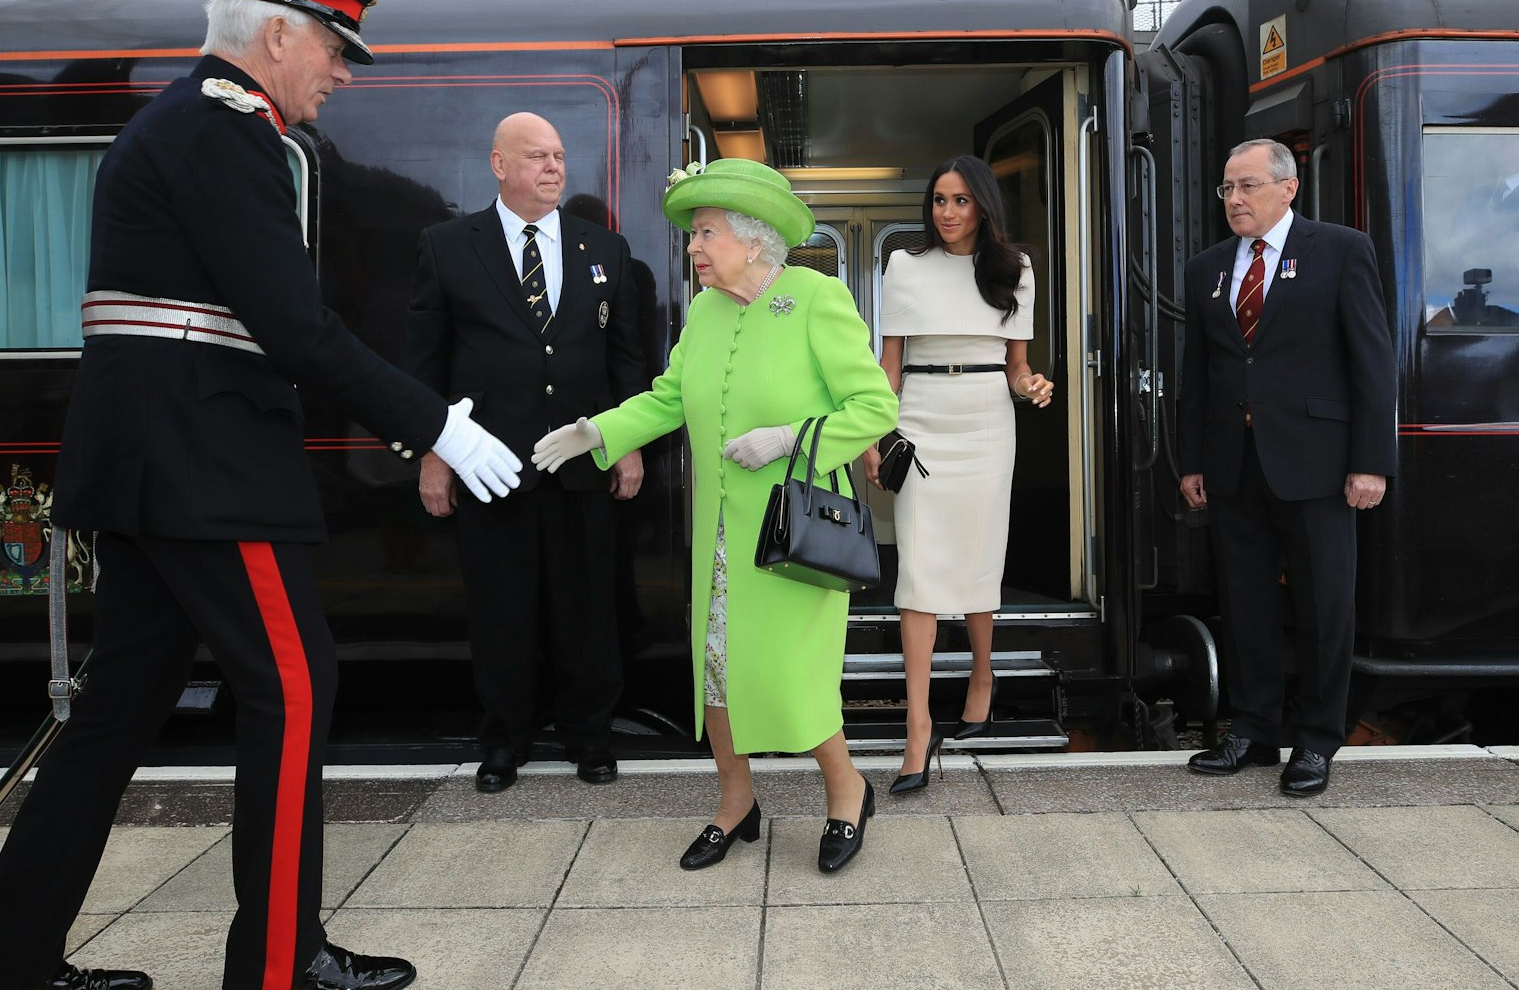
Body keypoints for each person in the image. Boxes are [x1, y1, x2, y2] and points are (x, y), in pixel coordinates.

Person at [0, 0, 523, 990]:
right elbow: (298, 331)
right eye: (335, 49)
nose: (342, 72)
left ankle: (6, 967)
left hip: (159, 467)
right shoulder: (224, 135)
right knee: (296, 690)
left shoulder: (186, 127)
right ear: (278, 36)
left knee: (114, 717)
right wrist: (437, 425)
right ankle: (277, 964)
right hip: (207, 471)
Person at [531, 158, 897, 874]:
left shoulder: (815, 297)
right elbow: (669, 396)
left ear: (754, 241)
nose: (693, 247)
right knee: (718, 670)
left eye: (706, 232)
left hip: (796, 535)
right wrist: (598, 433)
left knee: (795, 676)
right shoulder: (705, 310)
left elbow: (875, 406)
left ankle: (847, 790)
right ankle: (736, 802)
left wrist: (789, 437)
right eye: (695, 234)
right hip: (723, 538)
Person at [407, 112, 648, 793]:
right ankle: (504, 740)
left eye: (560, 155)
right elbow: (425, 361)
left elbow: (625, 360)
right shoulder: (449, 246)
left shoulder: (604, 247)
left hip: (583, 465)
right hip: (491, 463)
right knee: (502, 611)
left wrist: (626, 443)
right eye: (537, 156)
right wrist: (433, 452)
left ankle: (590, 737)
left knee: (588, 611)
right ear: (499, 164)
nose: (554, 167)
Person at [1177, 138, 1397, 798]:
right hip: (1234, 464)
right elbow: (1198, 375)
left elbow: (1373, 362)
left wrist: (1370, 462)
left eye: (1246, 186)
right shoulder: (1207, 269)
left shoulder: (1341, 250)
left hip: (1320, 465)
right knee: (1244, 602)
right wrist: (1191, 460)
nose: (1234, 200)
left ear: (1287, 188)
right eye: (1226, 189)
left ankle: (1319, 738)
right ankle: (1252, 729)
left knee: (1325, 604)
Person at [862, 155, 1053, 795]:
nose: (947, 212)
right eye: (940, 200)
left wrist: (1032, 387)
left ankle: (981, 676)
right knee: (917, 571)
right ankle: (917, 726)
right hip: (919, 419)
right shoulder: (904, 265)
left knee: (976, 559)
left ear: (983, 206)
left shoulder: (1015, 269)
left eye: (961, 201)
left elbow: (1015, 368)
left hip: (986, 424)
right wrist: (874, 434)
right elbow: (888, 367)